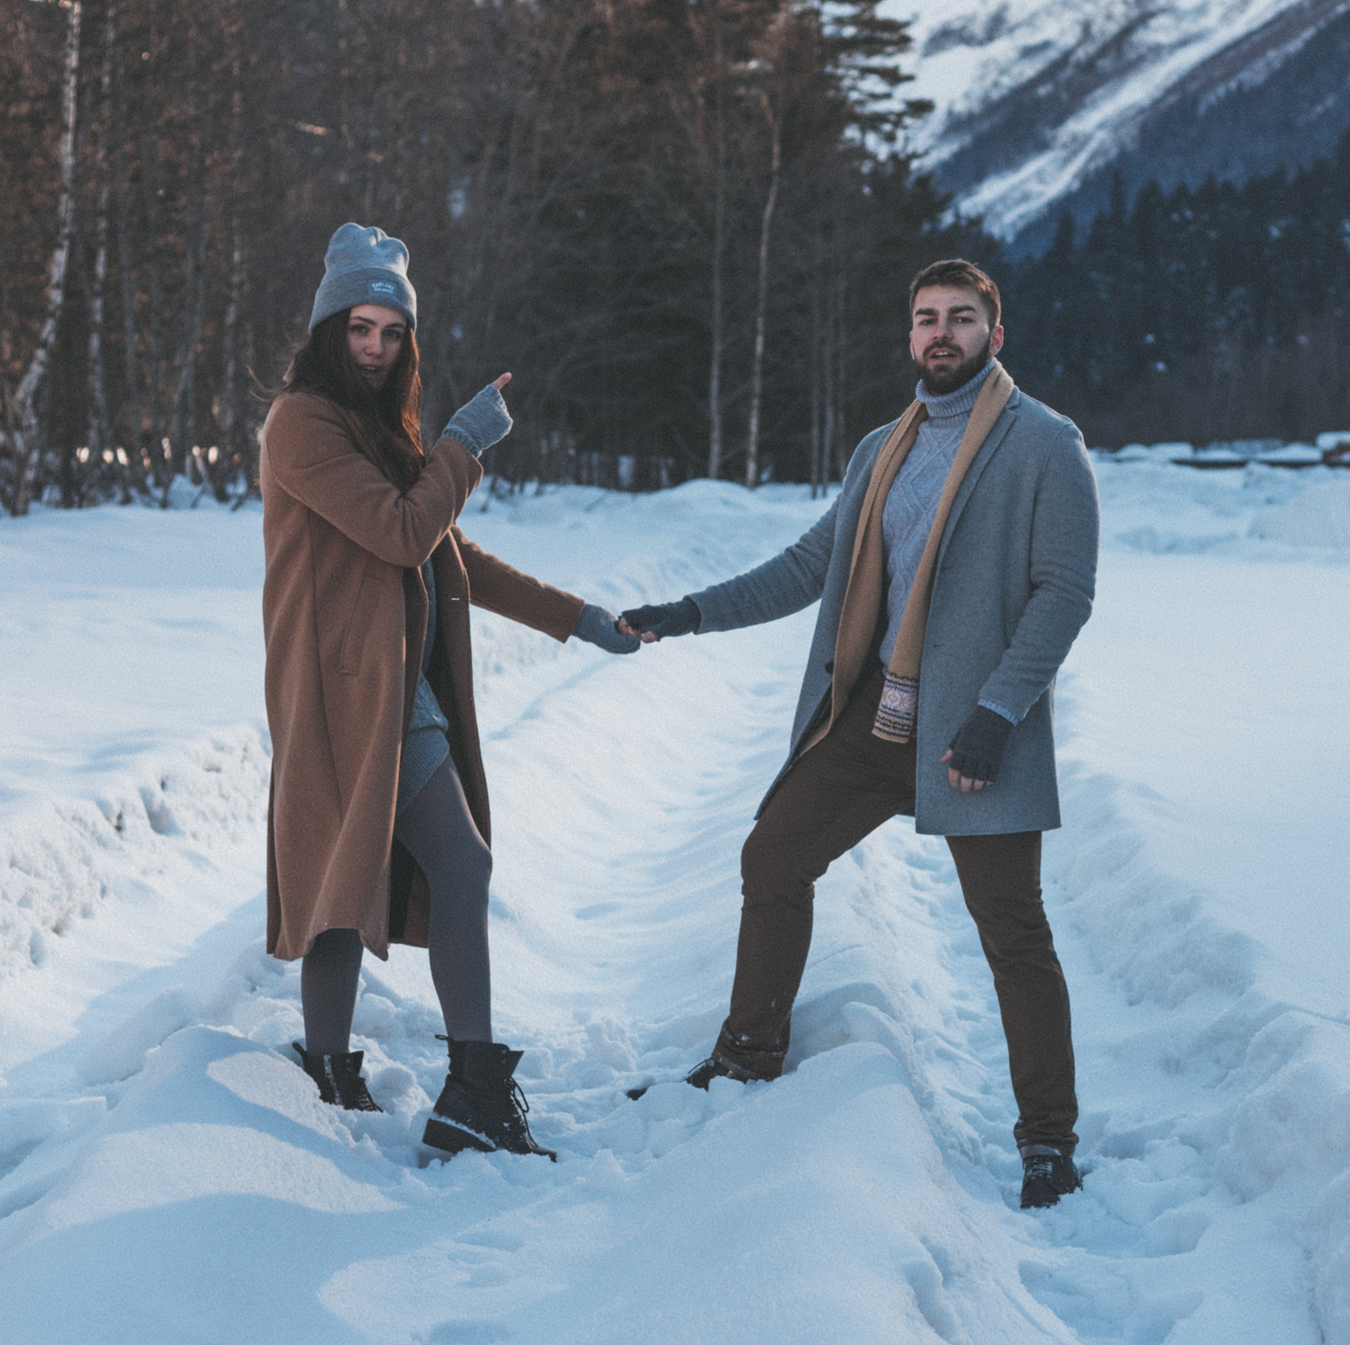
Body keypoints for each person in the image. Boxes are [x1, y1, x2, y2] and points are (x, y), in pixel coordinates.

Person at [620, 259, 1101, 1209]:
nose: (941, 333)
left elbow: (1065, 592)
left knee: (1012, 931)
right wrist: (692, 611)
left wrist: (998, 711)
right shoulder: (883, 447)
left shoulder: (1046, 443)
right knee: (774, 856)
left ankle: (1049, 1140)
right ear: (910, 334)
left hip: (975, 734)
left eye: (961, 318)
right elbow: (812, 564)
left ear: (995, 335)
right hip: (877, 716)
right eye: (926, 318)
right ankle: (747, 1054)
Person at [260, 222, 637, 1160]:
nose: (376, 348)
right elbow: (400, 530)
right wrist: (464, 446)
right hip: (350, 691)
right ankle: (470, 1091)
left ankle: (330, 1069)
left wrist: (579, 617)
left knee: (347, 877)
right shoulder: (301, 422)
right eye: (360, 328)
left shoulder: (379, 429)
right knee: (446, 867)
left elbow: (448, 552)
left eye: (393, 333)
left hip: (389, 683)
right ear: (328, 328)